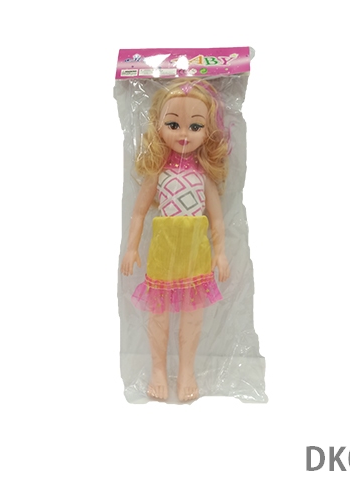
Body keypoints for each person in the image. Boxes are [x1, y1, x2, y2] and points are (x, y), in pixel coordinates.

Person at [121, 78, 230, 401]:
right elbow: (139, 212)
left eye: (196, 126)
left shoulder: (203, 175)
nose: (184, 134)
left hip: (195, 250)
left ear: (208, 130)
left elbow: (217, 218)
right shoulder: (158, 172)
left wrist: (220, 252)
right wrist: (131, 247)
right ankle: (158, 369)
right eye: (173, 124)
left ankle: (186, 371)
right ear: (158, 125)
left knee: (192, 317)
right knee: (159, 315)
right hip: (165, 248)